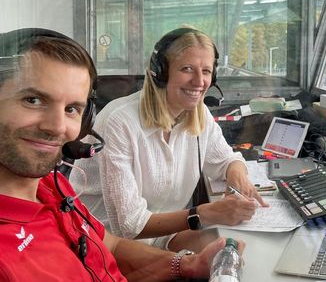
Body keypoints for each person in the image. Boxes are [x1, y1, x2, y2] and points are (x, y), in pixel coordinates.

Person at [0, 28, 242, 281]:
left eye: (72, 108)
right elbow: (129, 227)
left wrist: (187, 265)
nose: (58, 126)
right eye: (33, 100)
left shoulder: (53, 186)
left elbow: (110, 246)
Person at [70, 27, 267, 252]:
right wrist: (205, 213)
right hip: (108, 243)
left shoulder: (198, 114)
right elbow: (129, 224)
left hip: (164, 235)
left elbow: (226, 159)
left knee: (240, 250)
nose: (199, 81)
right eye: (187, 69)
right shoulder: (118, 122)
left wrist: (237, 176)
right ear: (160, 72)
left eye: (206, 71)